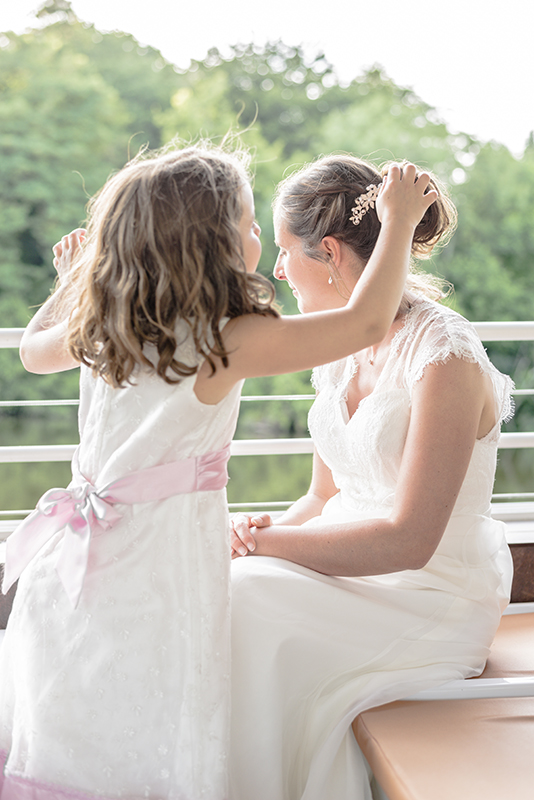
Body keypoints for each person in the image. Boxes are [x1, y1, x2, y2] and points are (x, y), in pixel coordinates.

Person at [0, 144, 434, 800]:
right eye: (251, 223)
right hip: (156, 580)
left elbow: (32, 355)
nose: (259, 235)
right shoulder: (222, 338)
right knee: (156, 736)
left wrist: (71, 282)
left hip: (74, 581)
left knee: (79, 742)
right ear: (211, 243)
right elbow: (365, 322)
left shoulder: (103, 321)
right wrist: (398, 222)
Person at [229, 154, 514, 800]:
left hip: (429, 589)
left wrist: (262, 546)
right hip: (350, 568)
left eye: (283, 251)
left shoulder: (445, 356)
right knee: (229, 587)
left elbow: (410, 538)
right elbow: (321, 497)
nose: (276, 270)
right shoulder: (336, 347)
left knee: (243, 600)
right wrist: (259, 528)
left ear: (327, 252)